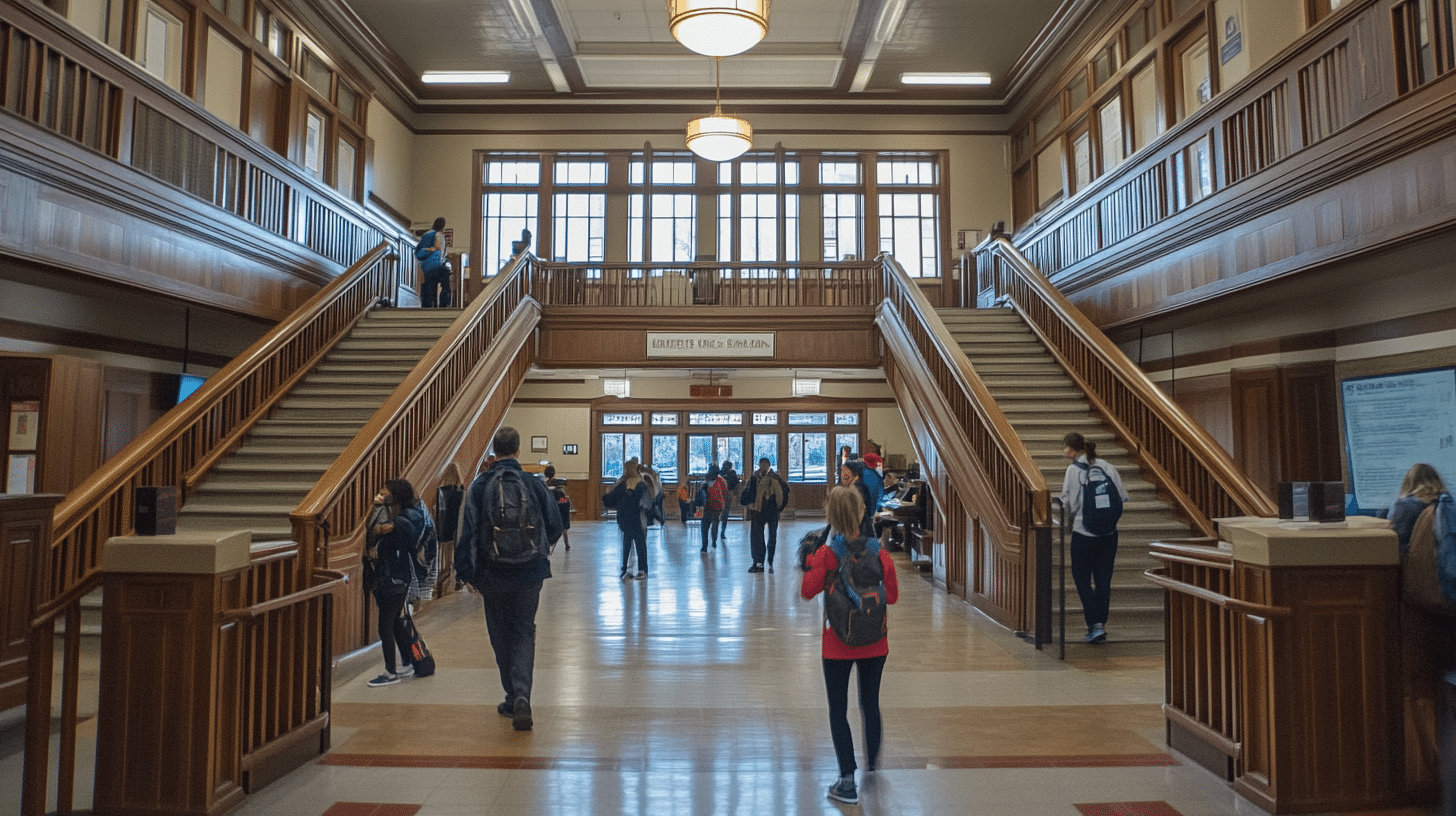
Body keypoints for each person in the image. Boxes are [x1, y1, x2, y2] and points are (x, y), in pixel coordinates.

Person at [459, 426, 563, 730]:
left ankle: (511, 693)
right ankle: (522, 697)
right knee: (523, 631)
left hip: (492, 572)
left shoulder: (480, 485)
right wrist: (540, 550)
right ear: (518, 451)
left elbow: (468, 532)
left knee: (500, 633)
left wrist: (466, 572)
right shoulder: (533, 483)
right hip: (529, 571)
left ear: (495, 451)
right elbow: (555, 524)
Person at [800, 486, 899, 805]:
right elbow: (892, 596)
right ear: (860, 512)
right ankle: (872, 768)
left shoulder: (827, 554)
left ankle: (846, 780)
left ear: (831, 515)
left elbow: (807, 591)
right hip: (876, 641)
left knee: (838, 710)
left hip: (837, 643)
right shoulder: (878, 551)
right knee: (870, 704)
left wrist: (811, 561)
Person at [1059, 431, 1130, 644]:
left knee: (1081, 578)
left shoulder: (1073, 470)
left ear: (1070, 450)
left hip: (1083, 533)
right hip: (1109, 534)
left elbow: (1068, 503)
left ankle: (1094, 624)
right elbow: (1122, 496)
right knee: (1103, 579)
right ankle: (1100, 622)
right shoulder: (1107, 466)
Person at [365, 479, 426, 687]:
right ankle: (407, 662)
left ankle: (390, 672)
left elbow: (377, 533)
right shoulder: (410, 515)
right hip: (399, 578)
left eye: (386, 492)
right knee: (396, 623)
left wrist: (380, 529)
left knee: (385, 627)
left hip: (393, 579)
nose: (381, 494)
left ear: (395, 496)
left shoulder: (400, 521)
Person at [605, 458, 651, 579]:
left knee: (626, 545)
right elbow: (646, 503)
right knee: (640, 545)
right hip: (638, 518)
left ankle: (626, 570)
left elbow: (612, 498)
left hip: (625, 518)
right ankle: (642, 570)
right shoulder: (641, 483)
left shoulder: (622, 484)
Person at [741, 457, 789, 573]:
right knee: (772, 536)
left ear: (759, 465)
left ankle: (759, 563)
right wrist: (779, 508)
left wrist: (749, 504)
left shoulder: (754, 477)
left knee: (757, 537)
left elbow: (748, 494)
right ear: (769, 465)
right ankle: (770, 559)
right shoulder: (776, 477)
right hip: (773, 511)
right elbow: (786, 491)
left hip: (758, 511)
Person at [1389, 462, 1447, 552]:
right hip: (1441, 556)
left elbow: (1398, 542)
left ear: (1408, 482)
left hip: (1408, 557)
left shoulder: (1403, 505)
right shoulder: (1445, 503)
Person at [416, 216, 451, 308]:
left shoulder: (429, 234)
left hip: (429, 265)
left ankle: (431, 304)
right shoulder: (439, 235)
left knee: (431, 286)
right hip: (438, 264)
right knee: (445, 284)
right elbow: (439, 249)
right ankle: (444, 303)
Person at [839, 460, 875, 538]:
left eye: (846, 474)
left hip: (859, 530)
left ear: (855, 473)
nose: (842, 476)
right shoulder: (856, 485)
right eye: (842, 472)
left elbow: (855, 513)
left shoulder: (857, 487)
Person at [543, 464, 571, 551]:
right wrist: (566, 500)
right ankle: (567, 544)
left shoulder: (544, 485)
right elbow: (562, 500)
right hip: (560, 509)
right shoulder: (559, 485)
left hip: (548, 510)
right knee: (564, 528)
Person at [700, 466, 728, 553]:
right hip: (716, 506)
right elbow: (725, 492)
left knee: (705, 526)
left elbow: (701, 493)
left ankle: (705, 545)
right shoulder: (721, 480)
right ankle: (713, 541)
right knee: (714, 524)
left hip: (709, 506)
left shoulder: (706, 480)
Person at [717, 459, 740, 544]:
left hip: (726, 493)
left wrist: (736, 494)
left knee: (724, 513)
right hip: (722, 493)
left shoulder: (724, 473)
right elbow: (736, 484)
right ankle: (721, 531)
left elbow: (736, 484)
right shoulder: (722, 473)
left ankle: (722, 531)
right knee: (723, 513)